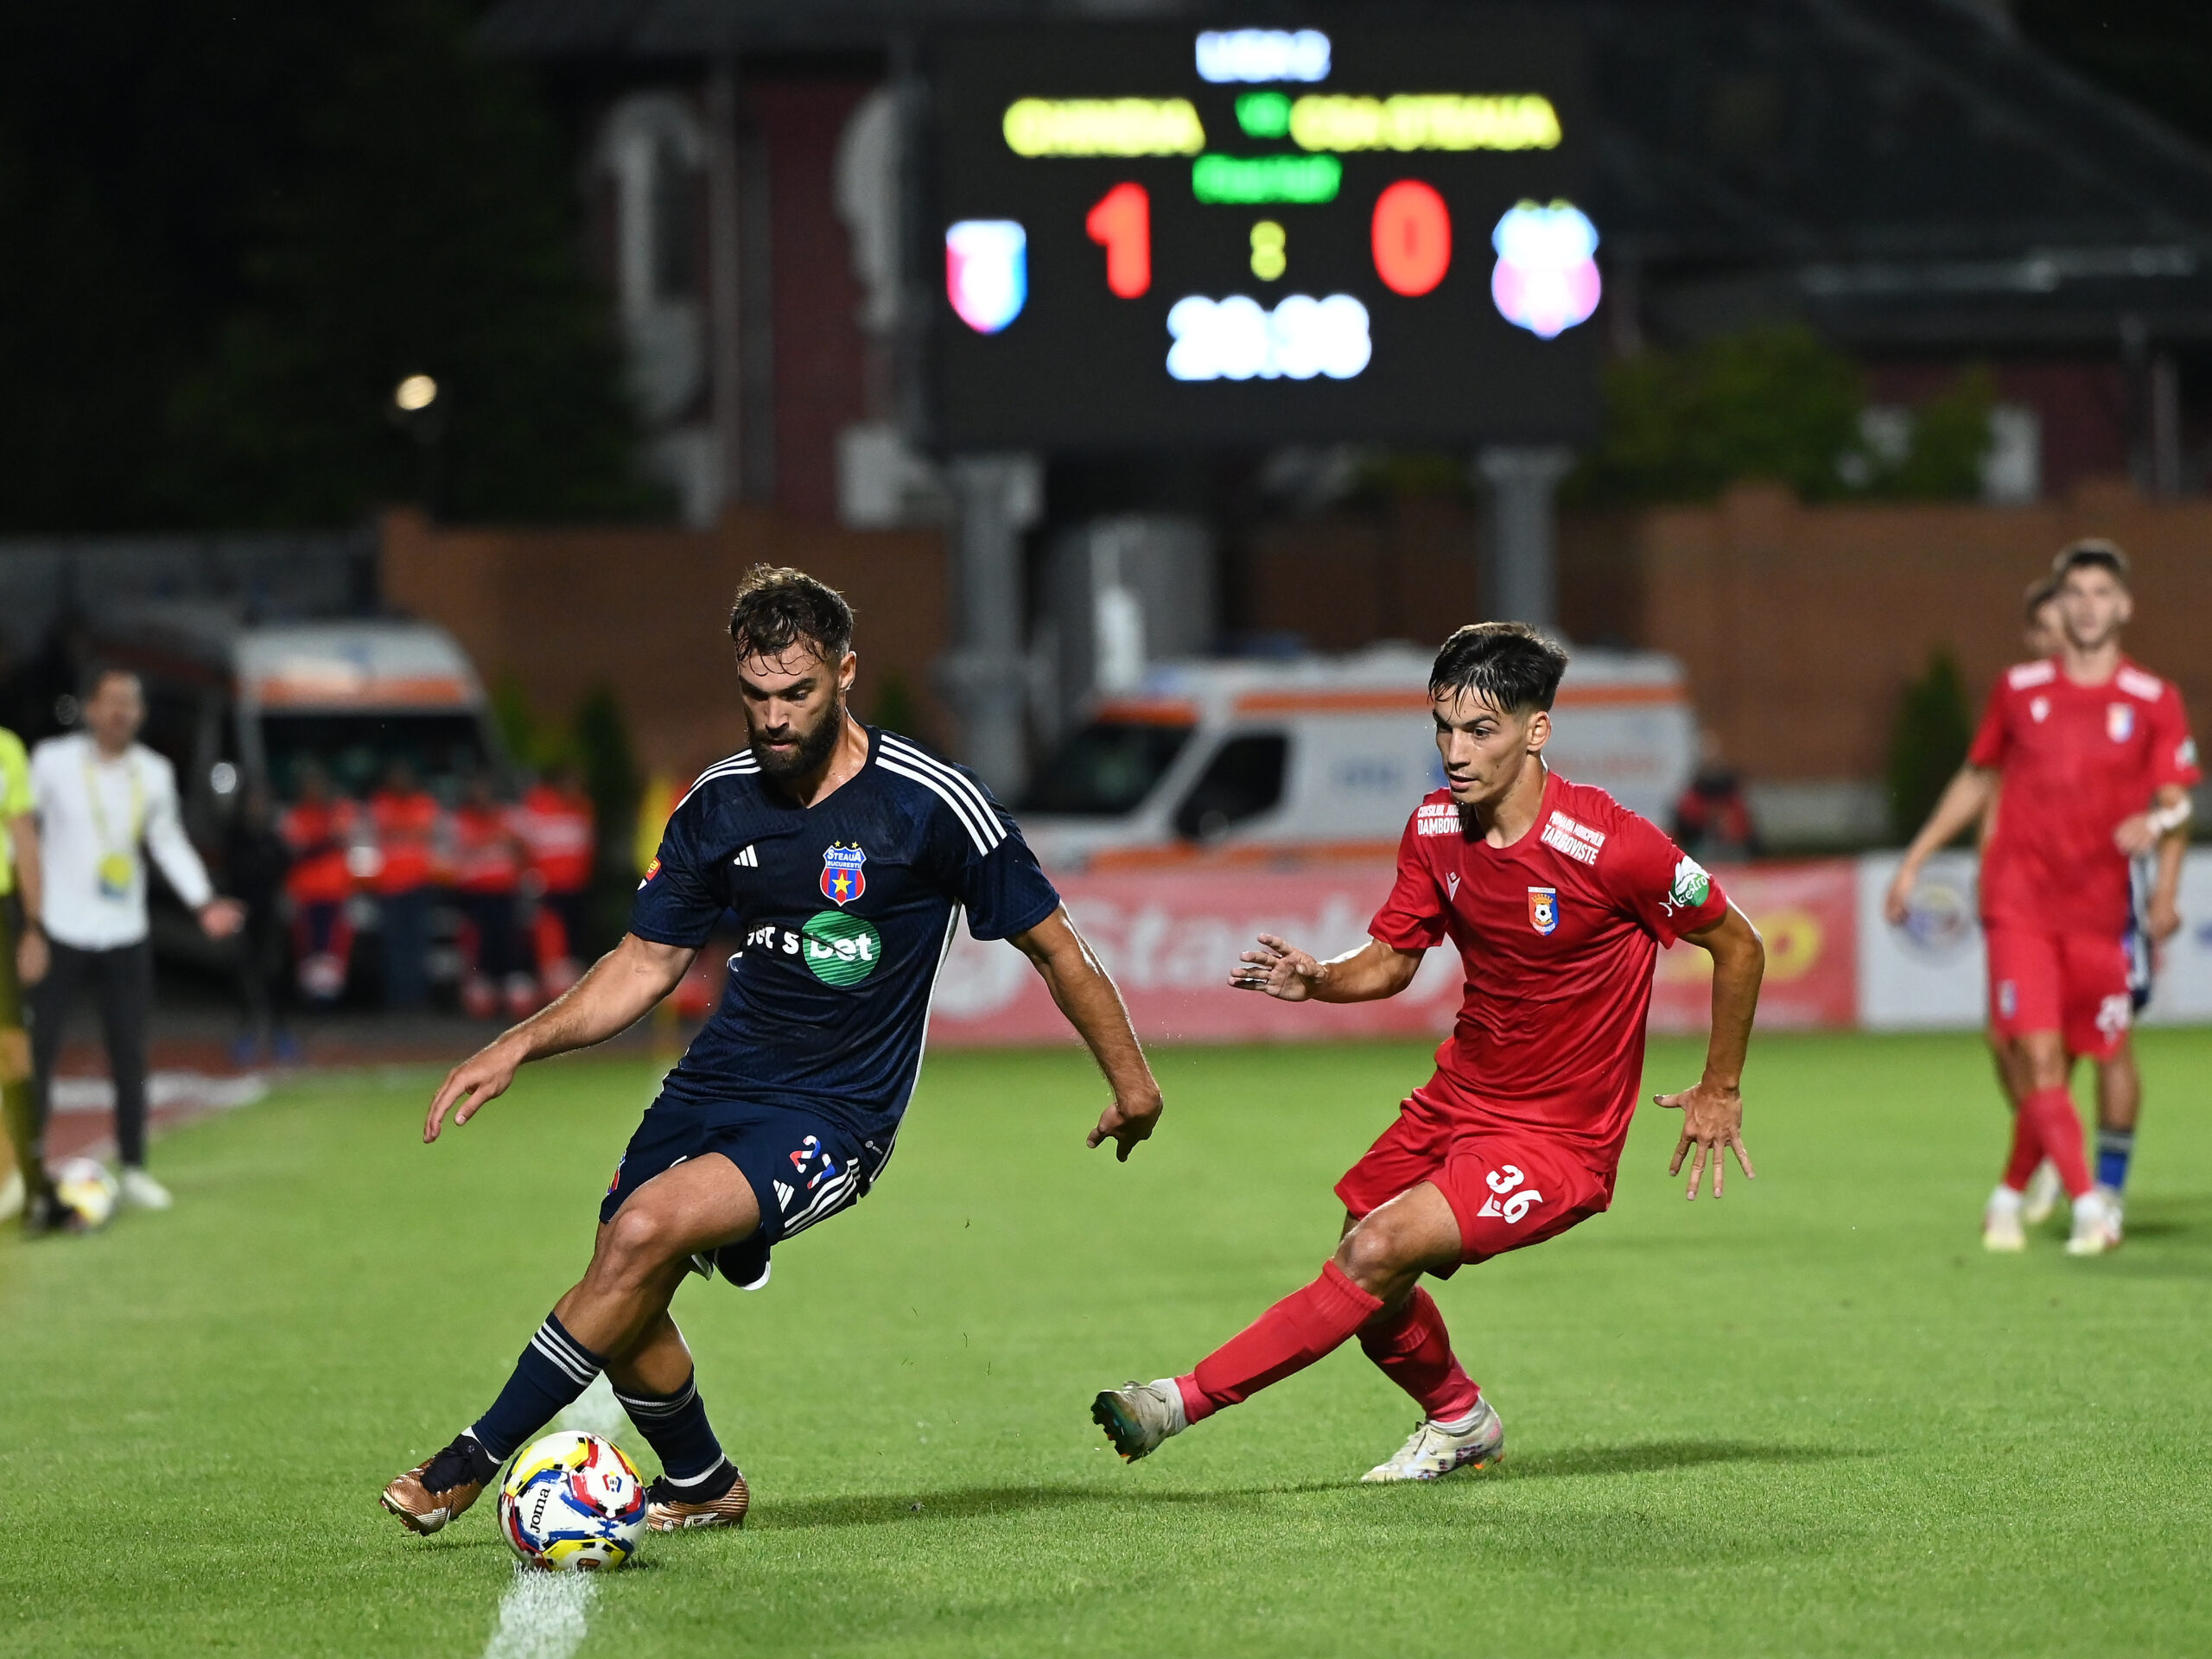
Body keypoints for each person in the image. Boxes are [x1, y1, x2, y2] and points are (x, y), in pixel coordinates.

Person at [379, 565, 1162, 1537]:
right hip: (713, 1084)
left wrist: (1133, 1086)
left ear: (844, 674)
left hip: (834, 1113)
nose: (775, 718)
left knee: (636, 1238)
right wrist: (519, 1045)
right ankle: (704, 1483)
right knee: (624, 1301)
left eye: (797, 693)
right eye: (756, 696)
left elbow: (1057, 948)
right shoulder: (719, 803)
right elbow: (643, 963)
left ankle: (468, 1460)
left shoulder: (928, 803)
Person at [1092, 622, 1764, 1481]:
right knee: (1365, 1261)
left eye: (1479, 729)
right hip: (1456, 1101)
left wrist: (1720, 1087)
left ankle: (1175, 1402)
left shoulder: (1612, 844)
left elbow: (1739, 944)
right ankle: (1458, 1418)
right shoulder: (1434, 826)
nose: (1455, 749)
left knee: (1374, 1254)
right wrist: (1320, 979)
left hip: (1556, 1140)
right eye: (1442, 727)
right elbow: (1392, 960)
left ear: (1535, 730)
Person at [1885, 541, 2196, 1255]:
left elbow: (2179, 803)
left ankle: (2018, 1191)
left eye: (2100, 594)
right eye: (2075, 594)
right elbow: (1977, 775)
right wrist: (1916, 860)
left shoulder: (2153, 701)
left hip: (2102, 913)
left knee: (2105, 1048)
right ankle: (2091, 1203)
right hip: (2019, 903)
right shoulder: (2020, 690)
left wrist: (2159, 833)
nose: (2087, 607)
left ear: (2124, 607)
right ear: (2061, 606)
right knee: (2034, 1055)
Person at [27, 667, 244, 1217]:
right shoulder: (52, 762)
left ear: (141, 715)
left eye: (132, 702)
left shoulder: (153, 772)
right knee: (39, 1051)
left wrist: (203, 902)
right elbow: (22, 830)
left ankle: (136, 1166)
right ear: (91, 709)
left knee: (128, 1052)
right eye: (112, 701)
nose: (122, 711)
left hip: (124, 931)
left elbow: (168, 843)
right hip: (61, 924)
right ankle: (27, 1167)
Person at [1, 720, 49, 1225]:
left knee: (12, 1052)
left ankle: (33, 1184)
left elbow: (24, 839)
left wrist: (34, 926)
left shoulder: (7, 749)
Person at [223, 783, 297, 1065]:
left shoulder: (272, 838)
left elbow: (285, 866)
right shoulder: (235, 839)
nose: (257, 808)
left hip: (269, 916)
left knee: (275, 974)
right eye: (253, 802)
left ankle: (280, 1032)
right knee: (244, 976)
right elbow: (236, 875)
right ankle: (246, 1032)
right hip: (242, 916)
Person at [516, 760, 596, 1000]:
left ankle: (568, 987)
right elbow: (523, 845)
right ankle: (549, 987)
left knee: (573, 937)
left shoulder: (583, 807)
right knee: (549, 937)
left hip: (576, 886)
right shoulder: (538, 804)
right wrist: (529, 876)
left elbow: (586, 847)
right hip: (547, 886)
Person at [450, 772, 528, 1019]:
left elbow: (523, 850)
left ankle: (508, 984)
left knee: (506, 939)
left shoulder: (508, 818)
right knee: (478, 940)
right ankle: (482, 984)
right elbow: (454, 855)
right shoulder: (460, 821)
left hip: (505, 891)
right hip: (474, 893)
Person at [280, 764, 359, 1006]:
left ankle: (332, 1001)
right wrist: (324, 841)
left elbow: (346, 838)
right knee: (308, 950)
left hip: (336, 892)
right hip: (306, 894)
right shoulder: (295, 815)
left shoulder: (339, 812)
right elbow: (295, 849)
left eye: (319, 785)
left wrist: (326, 837)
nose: (315, 790)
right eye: (309, 786)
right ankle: (310, 1002)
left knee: (334, 950)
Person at [368, 761, 442, 1013]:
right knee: (394, 946)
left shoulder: (423, 802)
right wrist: (408, 831)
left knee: (418, 945)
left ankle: (417, 998)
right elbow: (382, 829)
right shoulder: (381, 803)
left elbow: (428, 832)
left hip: (418, 885)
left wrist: (401, 831)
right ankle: (396, 1000)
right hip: (389, 887)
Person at [1671, 728, 1760, 863]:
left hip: (1732, 847)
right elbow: (1685, 826)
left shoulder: (1731, 792)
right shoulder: (1694, 794)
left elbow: (1746, 827)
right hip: (1704, 846)